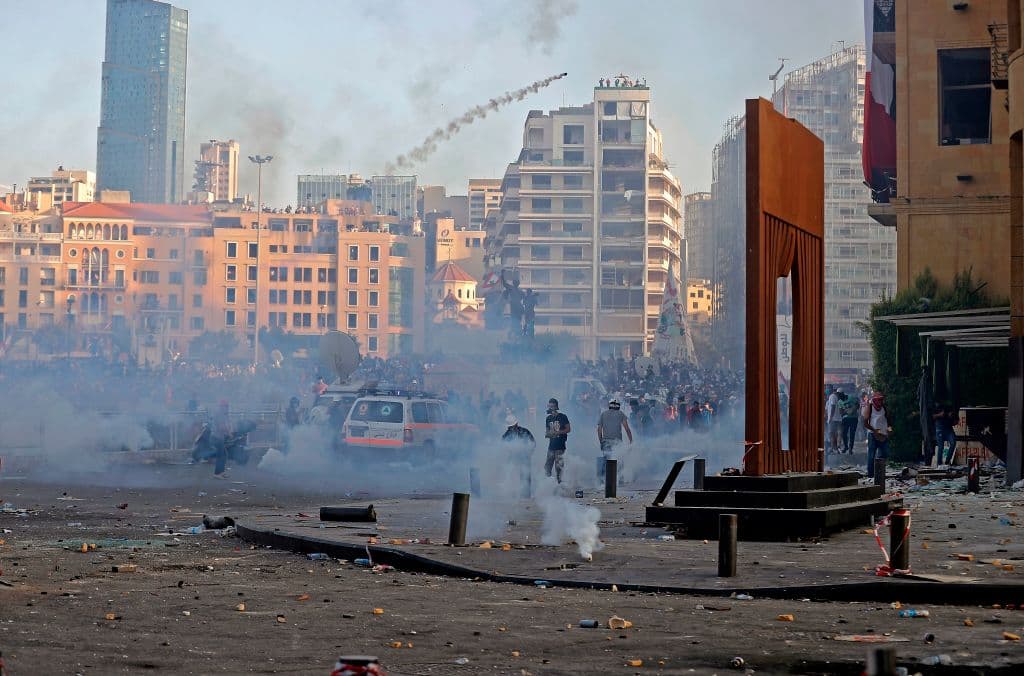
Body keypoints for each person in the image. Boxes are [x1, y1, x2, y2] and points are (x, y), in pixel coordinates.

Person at [597, 399, 632, 481]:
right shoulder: (620, 413)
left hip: (606, 441)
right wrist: (631, 440)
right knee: (619, 459)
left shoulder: (603, 414)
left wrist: (601, 441)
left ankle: (604, 480)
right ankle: (619, 480)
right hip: (617, 442)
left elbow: (599, 429)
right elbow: (626, 428)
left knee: (606, 460)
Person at [502, 414, 536, 497]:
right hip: (513, 458)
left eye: (512, 427)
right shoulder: (506, 435)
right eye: (509, 427)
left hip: (525, 457)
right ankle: (512, 493)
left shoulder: (525, 432)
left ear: (516, 424)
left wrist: (529, 452)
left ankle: (526, 495)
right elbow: (503, 447)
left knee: (525, 475)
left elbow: (533, 443)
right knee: (511, 474)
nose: (511, 429)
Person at [544, 397, 571, 484]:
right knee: (548, 466)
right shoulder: (548, 418)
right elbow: (547, 431)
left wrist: (558, 432)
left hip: (560, 445)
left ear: (556, 407)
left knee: (558, 467)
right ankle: (548, 483)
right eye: (550, 406)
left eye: (553, 406)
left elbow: (568, 429)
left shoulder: (562, 416)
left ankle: (560, 483)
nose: (551, 408)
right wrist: (548, 434)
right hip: (551, 446)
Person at [863, 392, 892, 474]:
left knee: (885, 453)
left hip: (883, 434)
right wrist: (874, 430)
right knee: (871, 455)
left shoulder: (884, 408)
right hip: (873, 434)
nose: (880, 402)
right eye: (878, 400)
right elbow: (865, 423)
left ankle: (879, 471)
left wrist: (890, 430)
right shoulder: (870, 408)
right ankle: (871, 474)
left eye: (881, 400)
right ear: (874, 400)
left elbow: (889, 420)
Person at [211, 399, 234, 479]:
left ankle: (221, 472)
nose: (227, 408)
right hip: (216, 437)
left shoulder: (222, 414)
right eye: (226, 406)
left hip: (219, 437)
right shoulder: (219, 414)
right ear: (222, 407)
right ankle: (217, 473)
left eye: (227, 406)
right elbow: (221, 427)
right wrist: (228, 433)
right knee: (221, 455)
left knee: (224, 455)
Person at [933, 400, 958, 465]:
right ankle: (939, 464)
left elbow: (956, 418)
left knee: (953, 443)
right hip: (940, 428)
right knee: (941, 447)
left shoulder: (950, 405)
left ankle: (947, 462)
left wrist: (954, 420)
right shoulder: (936, 406)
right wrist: (940, 415)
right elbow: (932, 416)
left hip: (949, 428)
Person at [825, 387, 843, 454]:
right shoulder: (838, 399)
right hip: (838, 419)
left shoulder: (832, 396)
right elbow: (841, 410)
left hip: (833, 419)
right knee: (836, 434)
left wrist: (830, 418)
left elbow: (832, 407)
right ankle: (836, 448)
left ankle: (834, 448)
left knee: (832, 434)